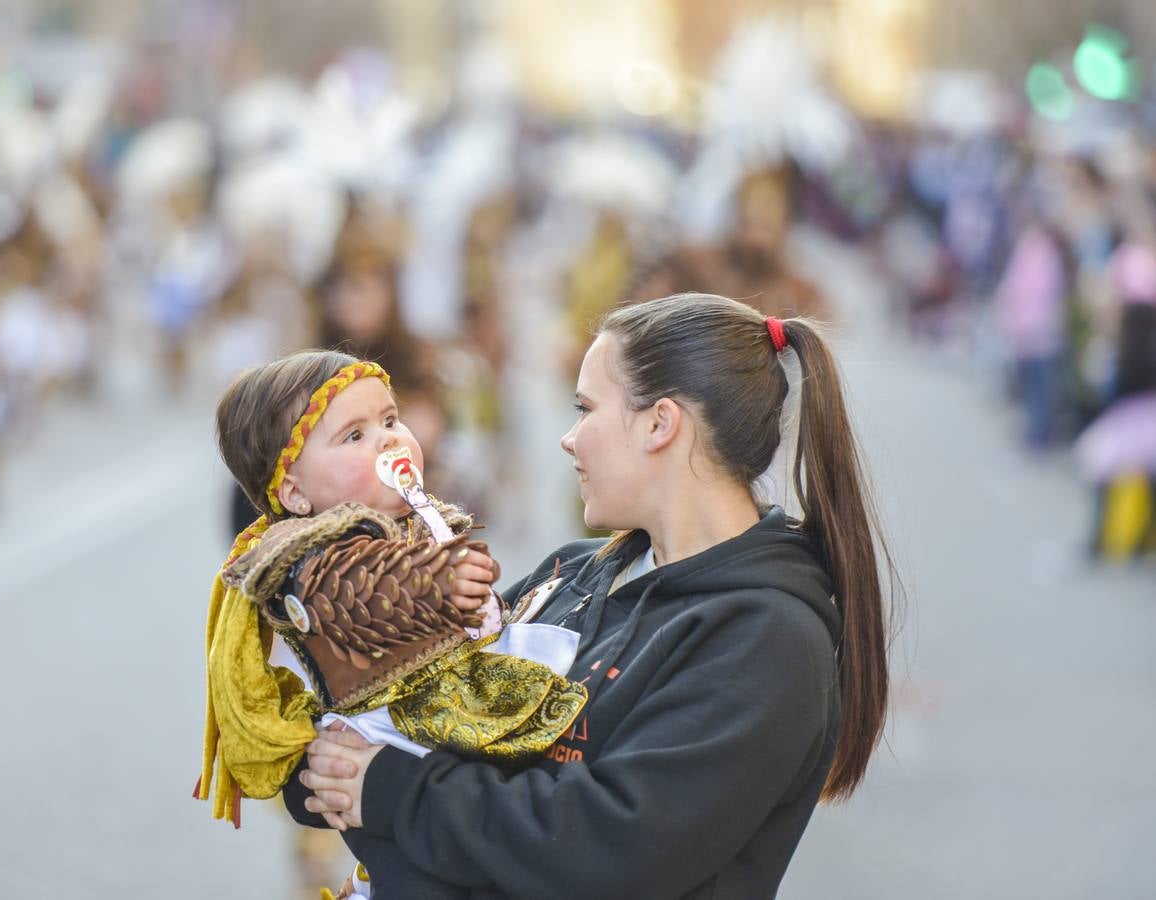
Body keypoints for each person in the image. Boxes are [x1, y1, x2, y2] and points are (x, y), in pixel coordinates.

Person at [293, 293, 896, 899]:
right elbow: (414, 710)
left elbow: (612, 848)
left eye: (585, 408)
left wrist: (395, 792)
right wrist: (317, 738)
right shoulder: (576, 571)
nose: (568, 438)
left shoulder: (767, 638)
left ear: (661, 423)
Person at [197, 349, 587, 898]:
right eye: (353, 436)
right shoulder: (308, 554)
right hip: (394, 725)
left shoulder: (405, 521)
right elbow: (362, 594)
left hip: (437, 715)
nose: (387, 439)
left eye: (389, 419)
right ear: (294, 492)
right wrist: (439, 583)